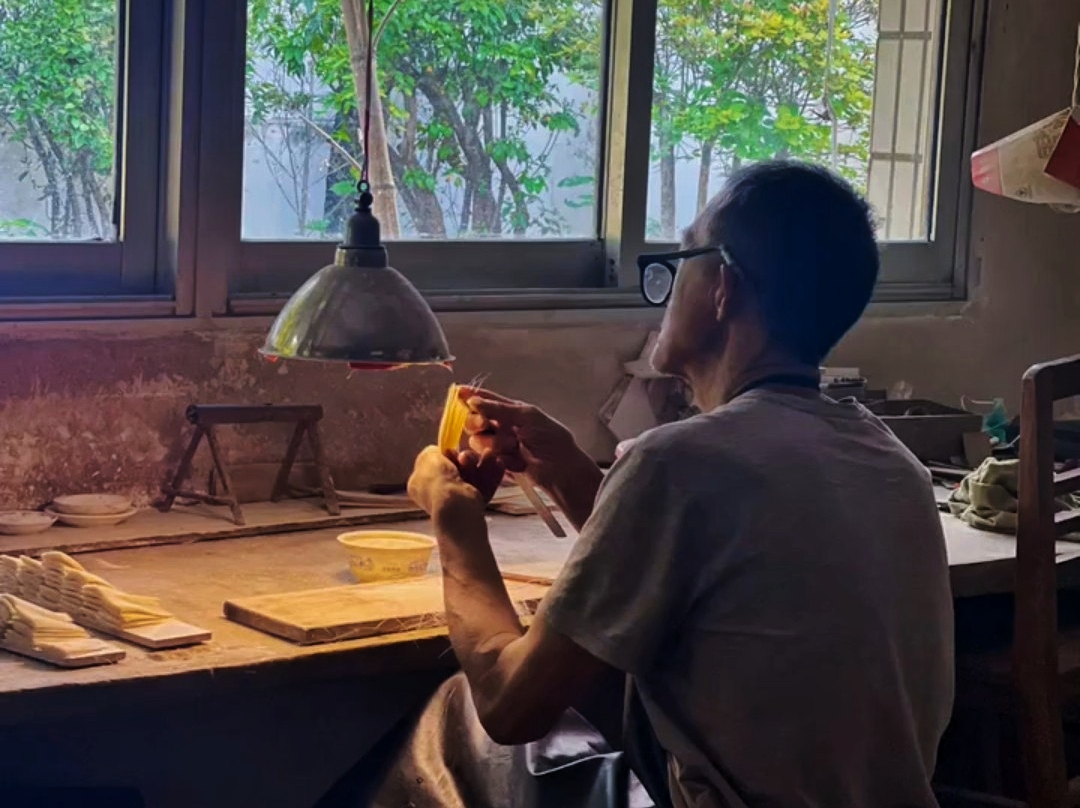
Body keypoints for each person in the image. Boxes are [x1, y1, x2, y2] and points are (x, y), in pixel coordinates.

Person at [395, 160, 954, 808]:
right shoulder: (891, 462)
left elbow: (510, 702)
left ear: (722, 287)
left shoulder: (679, 464)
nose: (664, 288)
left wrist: (454, 518)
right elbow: (699, 565)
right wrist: (570, 471)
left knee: (456, 715)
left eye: (683, 257)